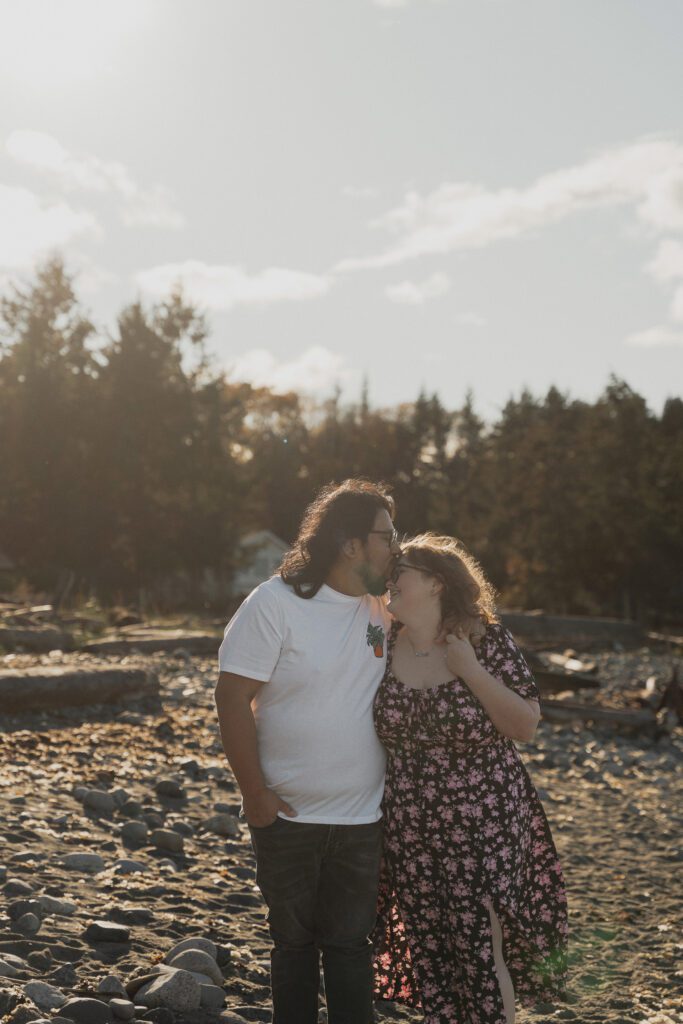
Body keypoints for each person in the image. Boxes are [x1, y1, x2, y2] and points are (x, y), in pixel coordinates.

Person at [214, 479, 401, 1024]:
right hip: (287, 817)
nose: (396, 547)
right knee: (293, 948)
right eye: (386, 536)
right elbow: (231, 698)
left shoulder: (383, 609)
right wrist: (255, 796)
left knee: (350, 948)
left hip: (363, 819)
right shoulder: (274, 604)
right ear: (349, 543)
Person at [372, 533, 568, 1024]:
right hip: (409, 821)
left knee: (480, 945)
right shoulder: (383, 641)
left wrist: (472, 672)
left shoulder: (483, 638)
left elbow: (525, 724)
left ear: (437, 584)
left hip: (482, 817)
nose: (390, 579)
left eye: (402, 571)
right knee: (431, 949)